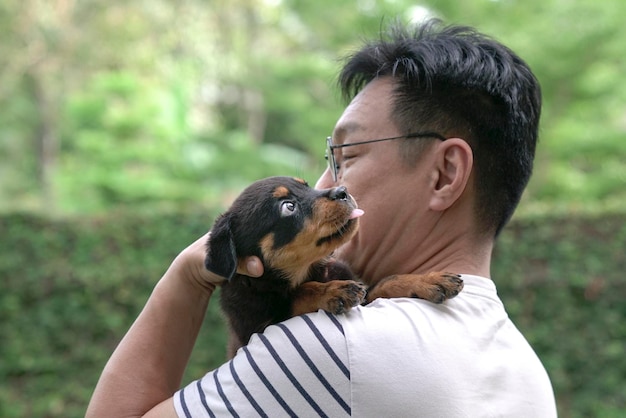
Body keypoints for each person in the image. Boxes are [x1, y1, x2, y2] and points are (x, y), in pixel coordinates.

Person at [87, 19, 557, 417]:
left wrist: (186, 277)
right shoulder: (526, 372)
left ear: (445, 174)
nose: (324, 182)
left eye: (345, 156)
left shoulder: (339, 347)